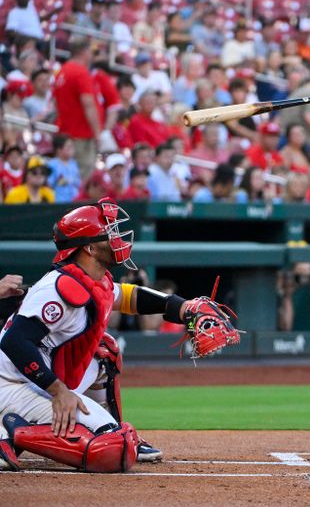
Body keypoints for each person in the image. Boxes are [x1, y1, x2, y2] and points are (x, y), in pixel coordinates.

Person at [0, 198, 192, 471]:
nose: (117, 238)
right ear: (89, 248)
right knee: (113, 449)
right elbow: (14, 341)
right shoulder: (60, 287)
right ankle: (14, 430)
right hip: (11, 385)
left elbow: (129, 297)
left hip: (35, 376)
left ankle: (114, 427)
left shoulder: (93, 278)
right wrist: (59, 391)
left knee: (106, 352)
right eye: (109, 233)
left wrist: (181, 306)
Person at [52, 38, 102, 180]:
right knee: (83, 178)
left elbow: (56, 103)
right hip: (81, 135)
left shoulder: (62, 71)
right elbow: (88, 104)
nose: (92, 56)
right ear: (84, 52)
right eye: (90, 52)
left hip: (65, 132)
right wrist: (97, 134)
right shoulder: (80, 72)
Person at [47, 134, 82, 203]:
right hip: (59, 203)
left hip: (75, 202)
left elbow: (79, 183)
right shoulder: (52, 164)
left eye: (72, 147)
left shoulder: (73, 163)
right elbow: (49, 185)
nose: (72, 150)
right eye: (69, 147)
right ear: (59, 150)